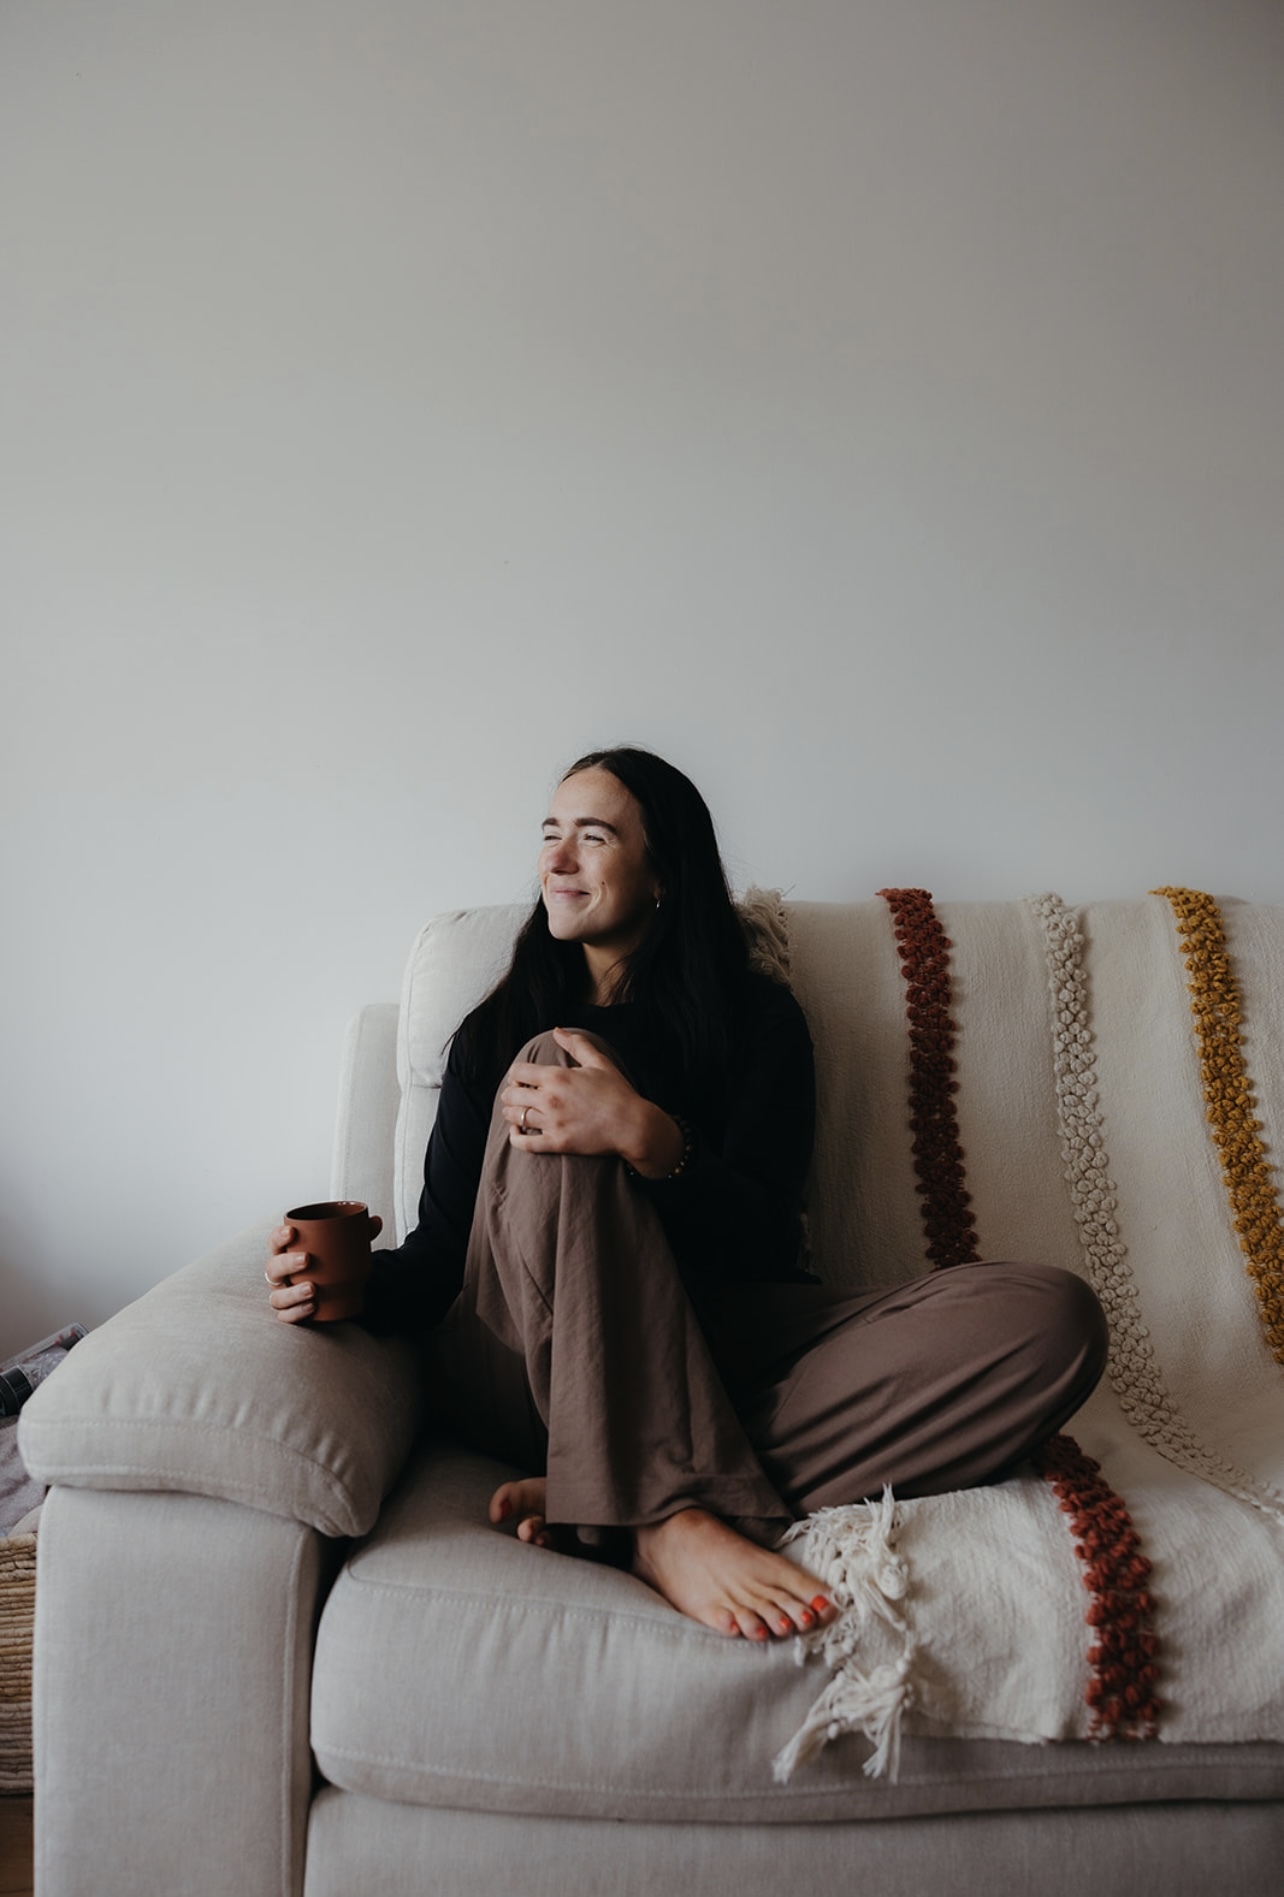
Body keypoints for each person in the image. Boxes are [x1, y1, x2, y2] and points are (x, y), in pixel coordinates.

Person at [266, 747, 1108, 1642]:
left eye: (593, 837)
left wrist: (649, 1137)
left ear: (664, 872)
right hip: (534, 1358)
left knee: (1051, 1318)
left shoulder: (758, 1021)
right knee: (552, 1065)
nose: (557, 860)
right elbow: (443, 1256)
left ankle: (605, 1485)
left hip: (717, 1341)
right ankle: (664, 1517)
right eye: (550, 834)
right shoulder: (500, 1031)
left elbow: (762, 1241)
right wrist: (353, 1288)